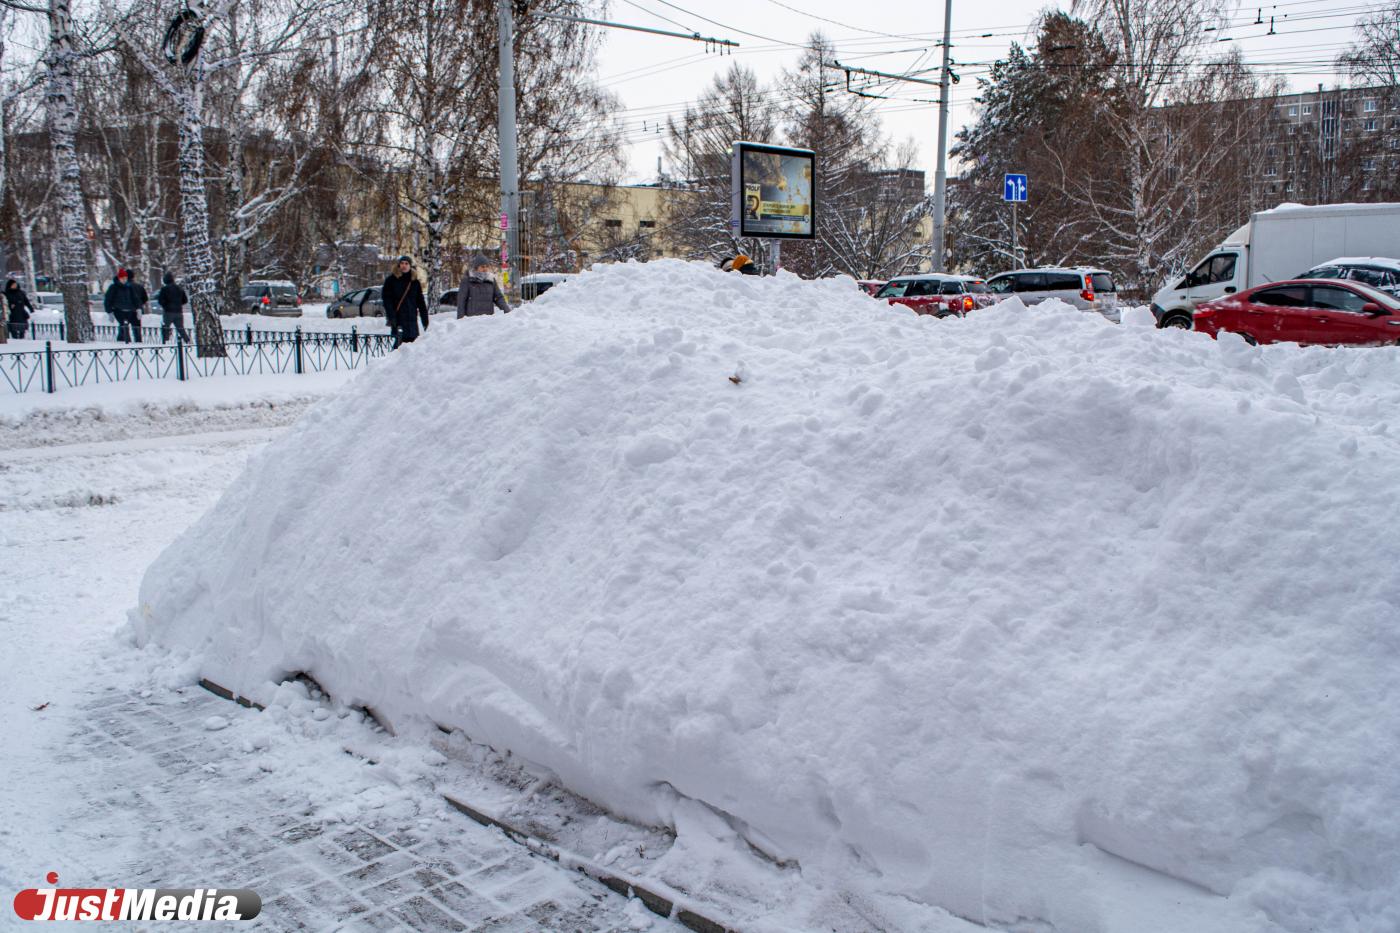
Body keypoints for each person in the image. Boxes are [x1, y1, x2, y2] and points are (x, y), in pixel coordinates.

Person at [381, 255, 429, 347]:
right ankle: (388, 361)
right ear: (399, 265)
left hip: (412, 321)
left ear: (410, 266)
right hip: (398, 319)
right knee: (399, 349)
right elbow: (387, 300)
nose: (404, 265)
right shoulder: (391, 280)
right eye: (402, 263)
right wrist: (392, 317)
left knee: (413, 349)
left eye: (406, 263)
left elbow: (421, 302)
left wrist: (425, 320)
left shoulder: (415, 282)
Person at [104, 268, 144, 343]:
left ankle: (138, 342)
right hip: (119, 310)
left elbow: (135, 298)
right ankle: (124, 342)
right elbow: (108, 300)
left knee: (136, 326)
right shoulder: (114, 287)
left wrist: (138, 308)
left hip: (131, 310)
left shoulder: (129, 287)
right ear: (119, 278)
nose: (124, 280)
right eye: (122, 278)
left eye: (125, 278)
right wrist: (109, 312)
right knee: (124, 326)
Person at [156, 272, 191, 343]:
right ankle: (187, 340)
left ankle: (165, 342)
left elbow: (160, 300)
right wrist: (178, 304)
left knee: (166, 327)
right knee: (181, 328)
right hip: (178, 312)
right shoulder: (179, 289)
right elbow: (185, 300)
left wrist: (165, 305)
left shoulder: (164, 289)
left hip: (168, 312)